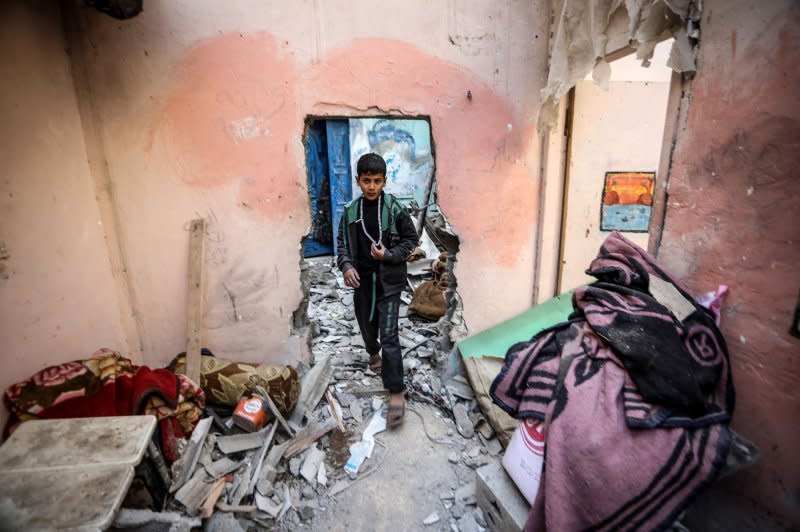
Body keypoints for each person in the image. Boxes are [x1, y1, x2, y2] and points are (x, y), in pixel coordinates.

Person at [336, 153, 418, 427]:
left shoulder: (395, 208)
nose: (372, 186)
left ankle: (396, 391)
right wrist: (347, 266)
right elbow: (342, 245)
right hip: (363, 282)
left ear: (385, 181)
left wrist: (390, 255)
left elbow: (411, 240)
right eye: (366, 181)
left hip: (390, 282)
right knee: (367, 327)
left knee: (389, 334)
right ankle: (373, 353)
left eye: (377, 181)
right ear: (358, 181)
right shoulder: (350, 211)